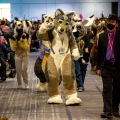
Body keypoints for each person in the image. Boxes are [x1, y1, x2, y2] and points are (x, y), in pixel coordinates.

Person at [96, 13, 120, 119]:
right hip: (106, 66)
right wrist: (98, 68)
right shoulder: (102, 36)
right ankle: (107, 111)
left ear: (117, 24)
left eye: (113, 22)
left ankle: (115, 109)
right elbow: (99, 53)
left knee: (117, 89)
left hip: (118, 67)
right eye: (110, 22)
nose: (111, 23)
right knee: (107, 88)